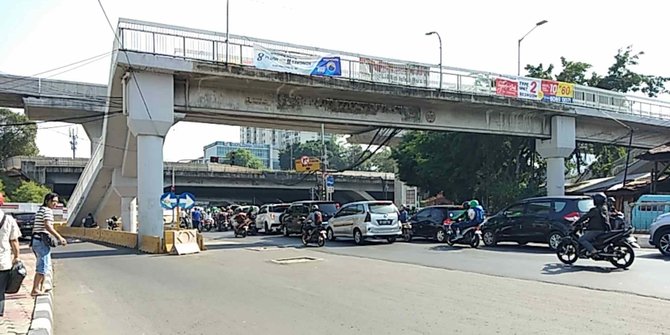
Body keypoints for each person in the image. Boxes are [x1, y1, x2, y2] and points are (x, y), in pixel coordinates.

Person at [31, 192, 67, 296]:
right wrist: (59, 237)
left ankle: (41, 287)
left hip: (36, 240)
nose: (55, 204)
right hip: (41, 241)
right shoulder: (47, 211)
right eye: (53, 201)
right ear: (47, 201)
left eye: (56, 202)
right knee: (42, 266)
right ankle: (35, 289)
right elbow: (47, 225)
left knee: (44, 265)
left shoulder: (41, 210)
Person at [0, 192, 21, 317]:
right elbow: (14, 241)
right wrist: (16, 256)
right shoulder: (8, 220)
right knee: (0, 290)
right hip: (3, 262)